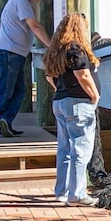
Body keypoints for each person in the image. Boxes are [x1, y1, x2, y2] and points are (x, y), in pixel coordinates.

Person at [44, 13, 100, 206]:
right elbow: (83, 75)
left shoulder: (56, 50)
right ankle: (77, 194)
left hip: (60, 101)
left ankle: (62, 191)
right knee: (81, 148)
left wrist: (61, 89)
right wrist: (94, 95)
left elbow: (49, 77)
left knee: (65, 148)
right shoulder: (76, 49)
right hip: (78, 103)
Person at [0, 0, 54, 137]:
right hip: (10, 53)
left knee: (19, 90)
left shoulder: (20, 0)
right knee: (7, 90)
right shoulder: (21, 1)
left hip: (15, 53)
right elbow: (34, 26)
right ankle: (1, 124)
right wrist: (52, 46)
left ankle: (6, 121)